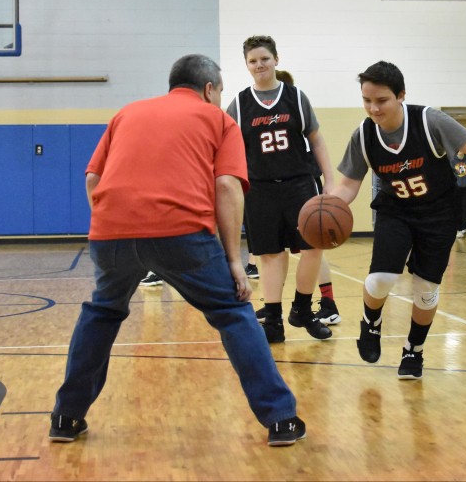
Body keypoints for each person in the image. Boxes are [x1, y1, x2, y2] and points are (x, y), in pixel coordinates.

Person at [49, 54, 304, 447]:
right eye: (218, 91)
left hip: (109, 233)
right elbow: (227, 188)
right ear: (209, 89)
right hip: (182, 232)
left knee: (102, 313)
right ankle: (281, 419)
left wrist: (112, 222)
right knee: (233, 313)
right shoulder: (219, 119)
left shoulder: (127, 113)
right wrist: (235, 261)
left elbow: (93, 177)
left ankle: (66, 418)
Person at [330, 61, 466, 379]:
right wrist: (324, 207)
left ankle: (414, 350)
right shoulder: (364, 136)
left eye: (381, 100)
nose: (373, 108)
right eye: (367, 100)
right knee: (381, 278)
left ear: (401, 95)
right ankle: (370, 323)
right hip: (395, 211)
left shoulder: (429, 120)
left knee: (426, 289)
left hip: (438, 213)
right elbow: (348, 185)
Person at [226, 35, 334, 343]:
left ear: (276, 59)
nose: (259, 65)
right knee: (270, 255)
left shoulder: (296, 97)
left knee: (314, 247)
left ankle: (302, 308)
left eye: (264, 58)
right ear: (246, 65)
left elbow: (316, 140)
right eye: (252, 60)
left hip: (300, 183)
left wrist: (330, 179)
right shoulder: (240, 103)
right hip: (259, 188)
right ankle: (273, 321)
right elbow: (229, 149)